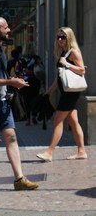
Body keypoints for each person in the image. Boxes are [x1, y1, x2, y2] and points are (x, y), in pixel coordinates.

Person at [0, 17, 38, 190]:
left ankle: (19, 179)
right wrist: (10, 82)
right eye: (6, 27)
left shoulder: (0, 49)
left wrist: (11, 80)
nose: (9, 30)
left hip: (3, 102)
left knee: (11, 137)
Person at [36, 27, 87, 162]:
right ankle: (81, 151)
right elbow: (60, 77)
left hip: (70, 93)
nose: (60, 40)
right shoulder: (64, 53)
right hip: (67, 91)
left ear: (69, 38)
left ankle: (49, 152)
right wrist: (50, 90)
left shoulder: (73, 53)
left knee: (57, 120)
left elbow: (82, 70)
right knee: (73, 121)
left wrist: (68, 65)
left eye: (63, 37)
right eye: (58, 37)